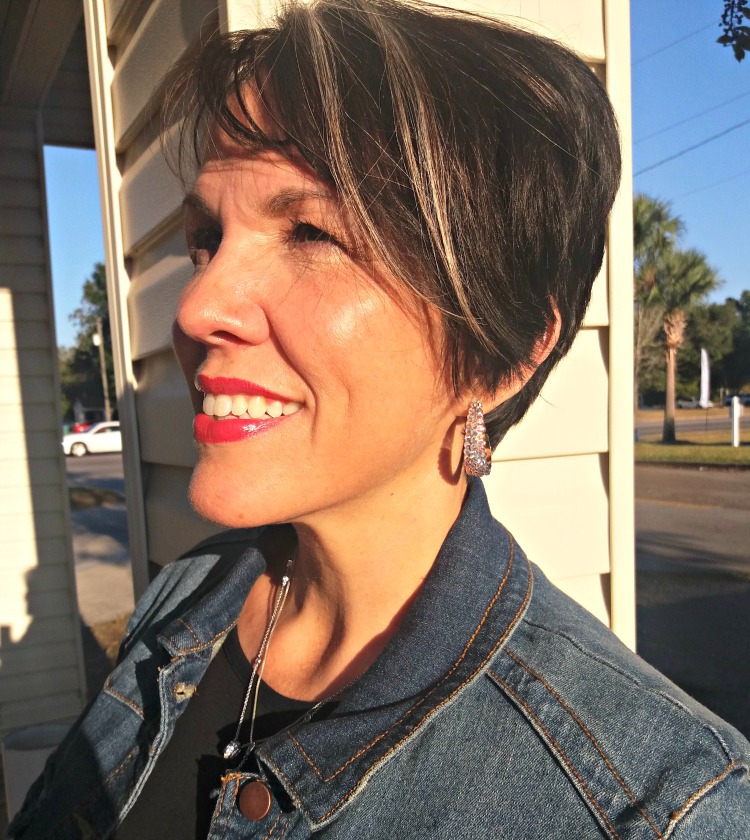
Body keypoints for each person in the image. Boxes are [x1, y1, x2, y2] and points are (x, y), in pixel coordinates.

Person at [9, 0, 750, 837]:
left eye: (311, 233)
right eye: (206, 238)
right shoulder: (190, 597)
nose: (198, 305)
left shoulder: (658, 808)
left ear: (503, 354)